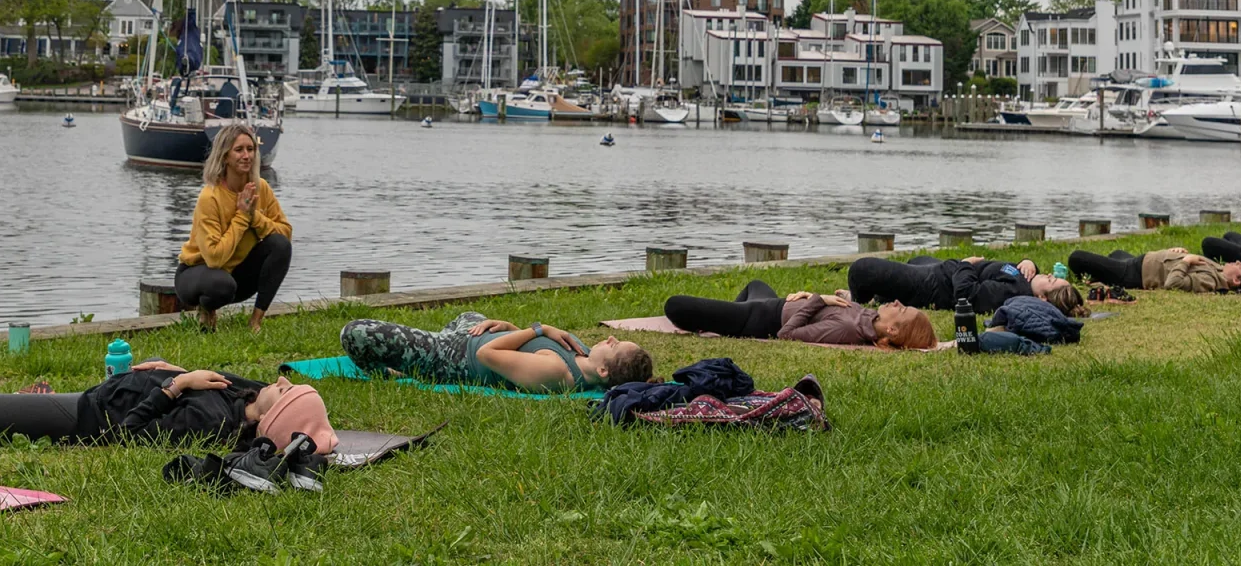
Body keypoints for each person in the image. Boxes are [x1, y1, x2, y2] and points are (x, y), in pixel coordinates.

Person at [0, 361, 336, 454]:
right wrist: (169, 370)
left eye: (284, 391)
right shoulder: (244, 395)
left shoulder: (211, 421)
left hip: (90, 415)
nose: (280, 381)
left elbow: (130, 433)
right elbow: (263, 393)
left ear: (269, 418)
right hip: (109, 389)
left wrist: (176, 386)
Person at [339, 312, 652, 393]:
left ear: (603, 372)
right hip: (469, 336)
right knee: (469, 315)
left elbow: (487, 356)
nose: (610, 337)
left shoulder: (557, 374)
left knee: (355, 333)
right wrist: (509, 327)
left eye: (615, 345)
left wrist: (539, 328)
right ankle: (409, 347)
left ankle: (391, 370)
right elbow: (526, 350)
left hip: (449, 356)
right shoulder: (582, 351)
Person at [176, 123, 292, 332]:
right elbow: (213, 258)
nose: (246, 155)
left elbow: (285, 233)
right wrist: (241, 217)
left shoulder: (261, 188)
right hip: (197, 274)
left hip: (236, 274)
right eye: (239, 150)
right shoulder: (210, 196)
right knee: (221, 284)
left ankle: (255, 321)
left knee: (280, 245)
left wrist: (254, 216)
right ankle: (206, 310)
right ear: (224, 156)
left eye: (250, 149)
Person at [664, 279, 940, 348]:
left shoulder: (847, 331)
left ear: (892, 330)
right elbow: (840, 306)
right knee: (755, 285)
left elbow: (788, 334)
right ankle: (717, 316)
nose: (895, 302)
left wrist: (817, 298)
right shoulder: (868, 317)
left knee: (674, 305)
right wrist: (815, 297)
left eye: (900, 309)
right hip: (771, 303)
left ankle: (722, 320)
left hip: (761, 319)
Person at [847, 254, 1080, 314]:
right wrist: (1028, 262)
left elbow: (967, 294)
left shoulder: (1010, 292)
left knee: (861, 269)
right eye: (1052, 275)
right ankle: (881, 296)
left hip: (936, 285)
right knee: (916, 260)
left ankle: (855, 298)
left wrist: (966, 264)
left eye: (1050, 281)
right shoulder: (1027, 280)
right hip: (942, 269)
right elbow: (1011, 270)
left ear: (1042, 298)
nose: (1048, 275)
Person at [1067, 245, 1241, 292]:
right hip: (1139, 261)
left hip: (1135, 273)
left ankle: (1093, 279)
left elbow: (1173, 283)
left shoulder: (1211, 280)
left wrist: (1185, 261)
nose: (1236, 262)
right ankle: (1102, 275)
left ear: (1236, 280)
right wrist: (1176, 252)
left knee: (1077, 258)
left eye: (1240, 266)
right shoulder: (1218, 269)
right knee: (1116, 252)